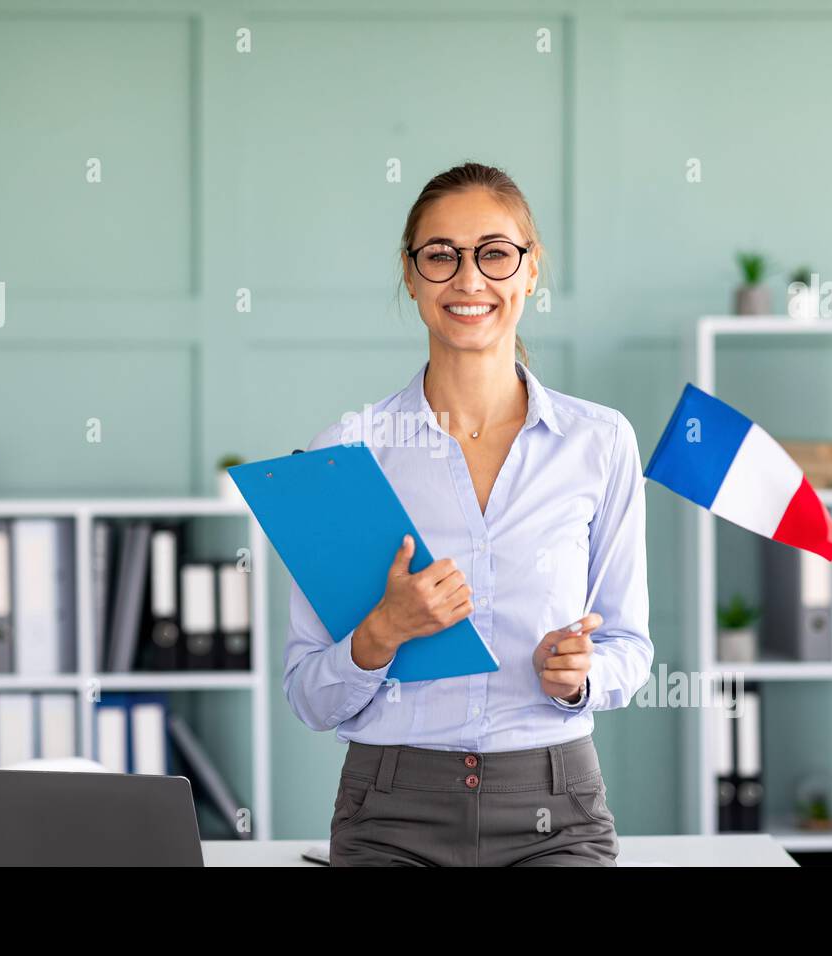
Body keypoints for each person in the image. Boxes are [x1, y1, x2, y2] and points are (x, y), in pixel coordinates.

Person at [284, 161, 653, 866]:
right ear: (412, 274)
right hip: (390, 809)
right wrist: (380, 635)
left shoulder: (601, 444)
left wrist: (583, 677)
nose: (469, 279)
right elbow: (308, 694)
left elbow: (629, 646)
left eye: (494, 253)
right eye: (441, 256)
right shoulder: (348, 453)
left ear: (530, 270)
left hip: (556, 804)